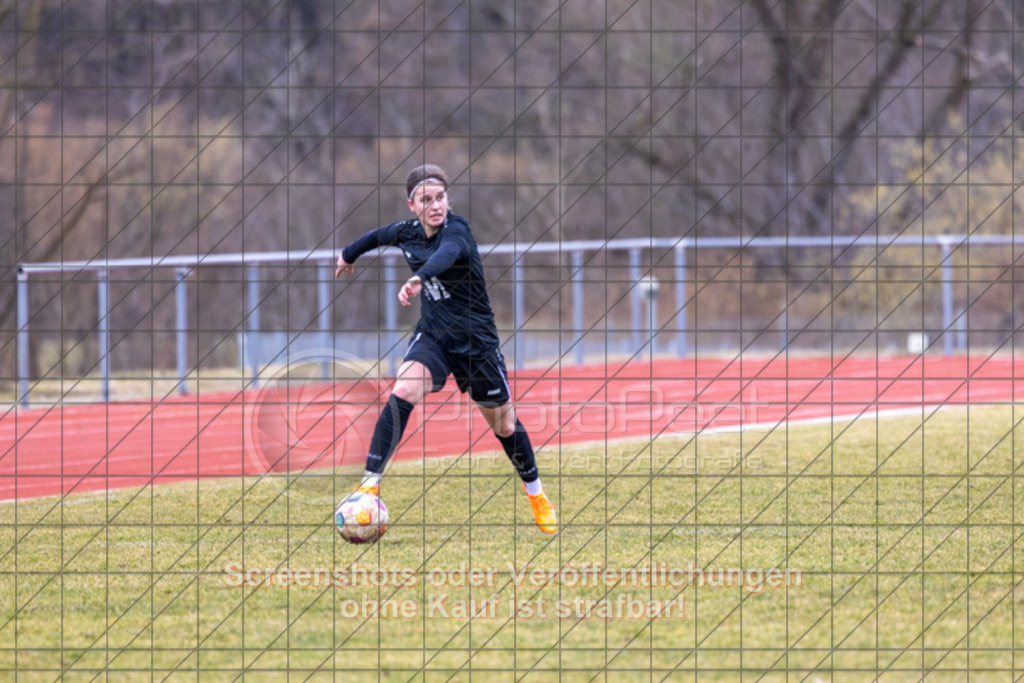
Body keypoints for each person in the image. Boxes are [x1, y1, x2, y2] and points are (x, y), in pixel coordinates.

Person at [334, 164, 558, 534]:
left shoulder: (458, 229)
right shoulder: (406, 232)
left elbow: (448, 254)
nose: (436, 205)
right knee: (403, 389)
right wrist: (347, 255)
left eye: (440, 197)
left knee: (504, 425)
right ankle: (369, 483)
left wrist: (419, 277)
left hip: (476, 344)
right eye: (426, 199)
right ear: (412, 204)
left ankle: (536, 494)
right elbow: (375, 236)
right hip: (435, 337)